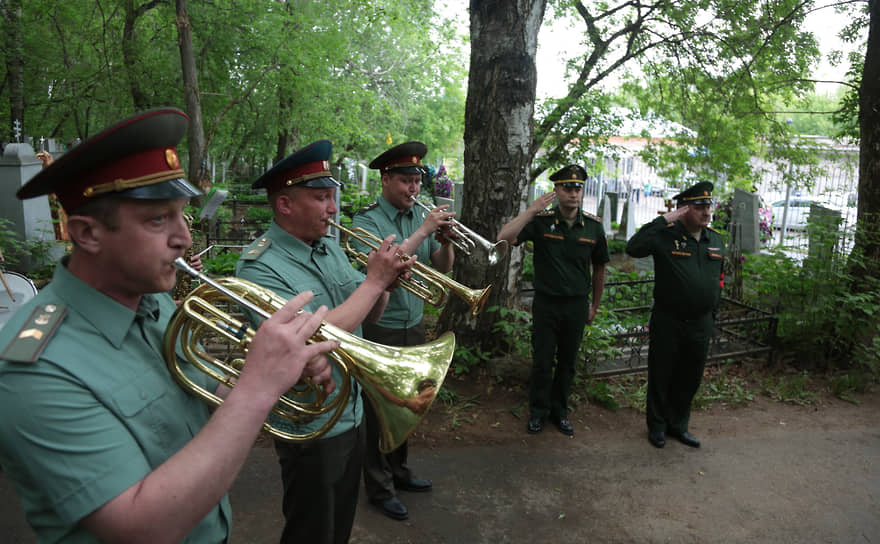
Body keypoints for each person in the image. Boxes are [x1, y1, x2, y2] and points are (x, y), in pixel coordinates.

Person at [0, 108, 337, 543]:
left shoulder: (151, 298)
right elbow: (143, 527)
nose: (184, 238)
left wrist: (282, 375)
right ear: (87, 235)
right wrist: (258, 387)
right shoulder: (32, 368)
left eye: (181, 215)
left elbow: (204, 393)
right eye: (157, 219)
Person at [234, 139, 412, 544]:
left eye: (332, 196)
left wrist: (385, 286)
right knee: (311, 528)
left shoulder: (329, 246)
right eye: (321, 198)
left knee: (340, 524)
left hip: (350, 408)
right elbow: (316, 335)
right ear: (285, 205)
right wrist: (375, 281)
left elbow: (369, 315)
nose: (334, 208)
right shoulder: (258, 267)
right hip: (310, 423)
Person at [350, 141, 454, 521]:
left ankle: (399, 470)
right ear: (385, 179)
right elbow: (387, 266)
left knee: (407, 408)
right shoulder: (367, 222)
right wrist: (426, 230)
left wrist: (444, 243)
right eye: (406, 181)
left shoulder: (418, 217)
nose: (414, 189)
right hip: (381, 328)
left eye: (417, 181)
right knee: (378, 413)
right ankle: (379, 487)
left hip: (414, 324)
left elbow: (440, 269)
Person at [497, 164, 609, 436]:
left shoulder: (593, 227)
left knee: (568, 362)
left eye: (578, 188)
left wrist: (594, 305)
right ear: (556, 190)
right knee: (543, 361)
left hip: (576, 305)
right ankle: (538, 412)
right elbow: (503, 237)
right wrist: (532, 210)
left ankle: (560, 412)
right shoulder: (541, 221)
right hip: (547, 304)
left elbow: (600, 268)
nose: (573, 193)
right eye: (567, 188)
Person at [625, 181, 725, 449]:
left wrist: (712, 312)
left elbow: (719, 279)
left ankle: (678, 425)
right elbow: (633, 247)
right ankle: (657, 426)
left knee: (690, 376)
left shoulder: (714, 239)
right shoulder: (665, 235)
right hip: (669, 320)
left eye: (708, 206)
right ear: (683, 210)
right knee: (662, 375)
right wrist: (661, 220)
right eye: (699, 206)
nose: (706, 212)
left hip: (701, 322)